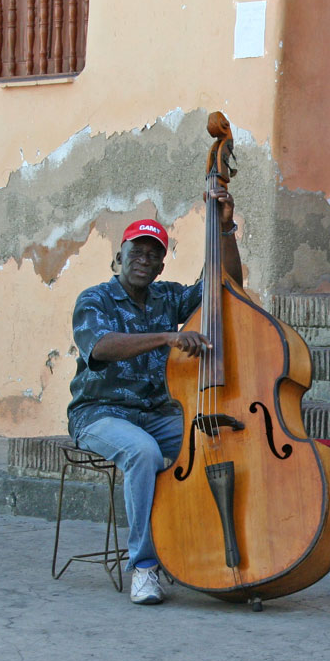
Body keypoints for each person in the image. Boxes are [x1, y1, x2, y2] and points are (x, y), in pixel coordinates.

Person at [66, 187, 240, 605]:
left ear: (161, 265)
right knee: (143, 453)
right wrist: (167, 337)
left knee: (217, 438)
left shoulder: (167, 296)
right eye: (136, 252)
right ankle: (145, 567)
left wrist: (225, 227)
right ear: (118, 258)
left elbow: (224, 283)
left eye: (152, 254)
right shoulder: (94, 299)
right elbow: (102, 346)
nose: (143, 260)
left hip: (158, 411)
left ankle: (208, 551)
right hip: (100, 414)